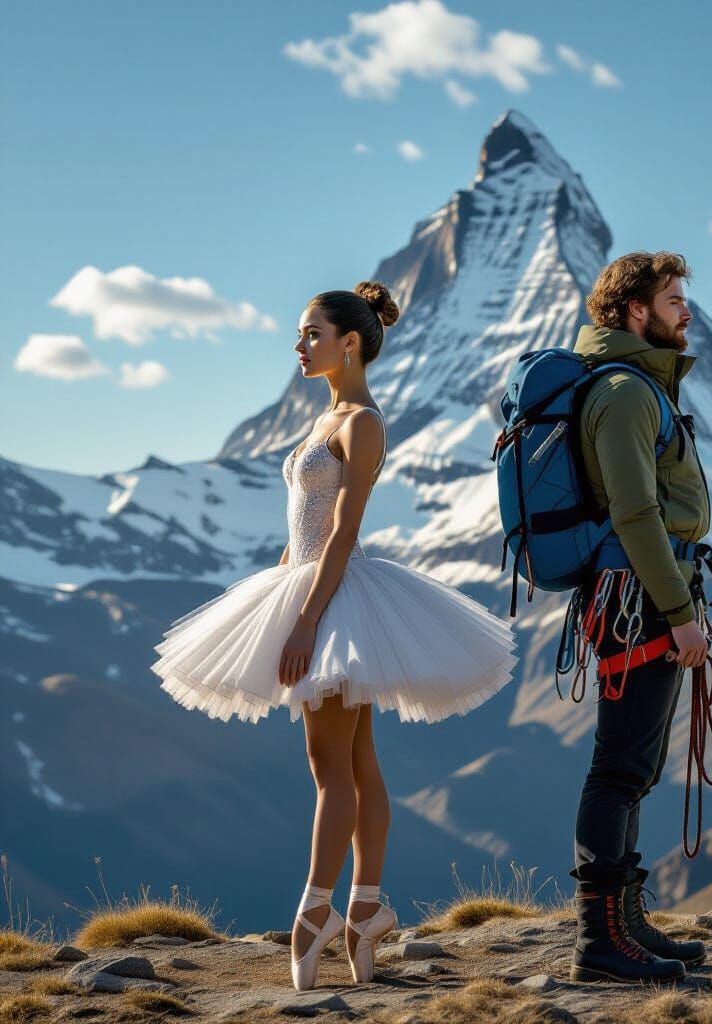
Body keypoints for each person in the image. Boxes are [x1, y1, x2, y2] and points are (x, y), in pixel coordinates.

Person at [150, 282, 518, 990]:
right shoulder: (328, 418)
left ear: (349, 342)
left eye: (311, 334)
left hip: (336, 600)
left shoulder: (363, 423)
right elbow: (307, 527)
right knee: (356, 761)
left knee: (330, 767)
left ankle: (316, 911)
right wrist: (277, 592)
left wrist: (307, 621)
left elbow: (345, 534)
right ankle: (368, 908)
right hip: (309, 585)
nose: (299, 345)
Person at [568, 251, 712, 983]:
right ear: (635, 312)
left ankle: (626, 926)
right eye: (674, 299)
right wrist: (680, 612)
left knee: (635, 770)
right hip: (639, 604)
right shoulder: (625, 392)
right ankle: (600, 943)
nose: (686, 310)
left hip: (644, 597)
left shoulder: (637, 385)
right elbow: (635, 512)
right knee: (618, 770)